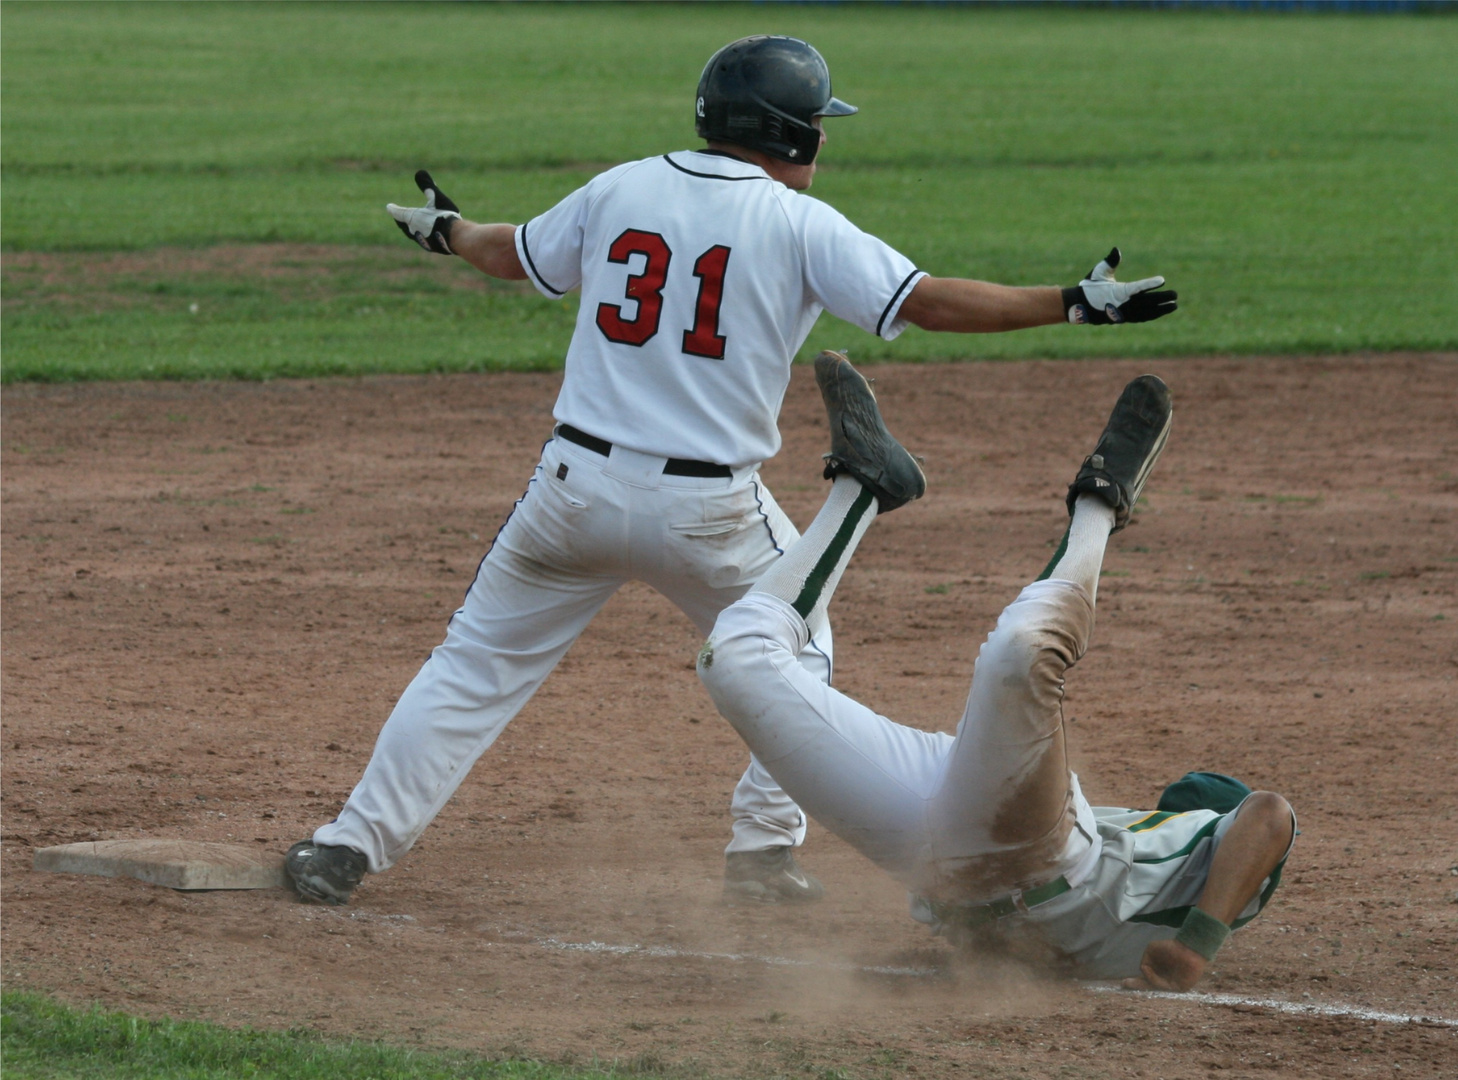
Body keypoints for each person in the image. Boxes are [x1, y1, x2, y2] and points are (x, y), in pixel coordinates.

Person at [285, 35, 1179, 909]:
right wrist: (1071, 305)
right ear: (789, 133)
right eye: (819, 124)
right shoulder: (796, 223)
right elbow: (928, 301)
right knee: (798, 642)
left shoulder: (621, 185)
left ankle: (347, 846)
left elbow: (508, 251)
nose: (826, 138)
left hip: (570, 493)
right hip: (708, 513)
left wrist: (447, 229)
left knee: (472, 665)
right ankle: (760, 854)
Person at [697, 357, 1293, 989]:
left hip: (928, 853)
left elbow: (1258, 820)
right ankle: (1101, 499)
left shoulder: (1174, 869)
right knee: (1019, 652)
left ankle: (866, 484)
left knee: (731, 659)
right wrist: (1197, 949)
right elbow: (1270, 817)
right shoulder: (1193, 864)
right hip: (1025, 848)